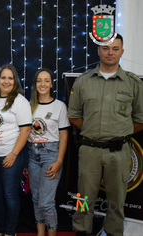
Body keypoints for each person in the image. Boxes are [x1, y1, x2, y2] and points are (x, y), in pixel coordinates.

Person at [68, 33, 143, 236]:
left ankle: (113, 232)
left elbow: (139, 119)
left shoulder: (133, 83)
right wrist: (94, 131)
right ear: (99, 50)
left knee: (117, 200)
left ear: (122, 52)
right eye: (106, 48)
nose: (111, 52)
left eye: (115, 49)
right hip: (89, 151)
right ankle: (81, 230)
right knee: (83, 198)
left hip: (119, 153)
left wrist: (119, 133)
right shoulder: (83, 82)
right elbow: (74, 116)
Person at [0, 64, 32, 236]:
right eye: (3, 77)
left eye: (10, 78)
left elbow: (26, 130)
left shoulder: (20, 102)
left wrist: (13, 155)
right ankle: (0, 228)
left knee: (9, 195)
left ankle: (10, 232)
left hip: (12, 155)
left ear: (15, 81)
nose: (6, 81)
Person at [27, 68, 70, 236]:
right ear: (35, 84)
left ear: (51, 84)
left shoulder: (59, 106)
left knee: (46, 202)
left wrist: (59, 161)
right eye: (39, 80)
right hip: (32, 154)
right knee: (36, 199)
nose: (42, 84)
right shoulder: (29, 106)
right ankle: (40, 233)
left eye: (46, 80)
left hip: (51, 154)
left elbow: (64, 135)